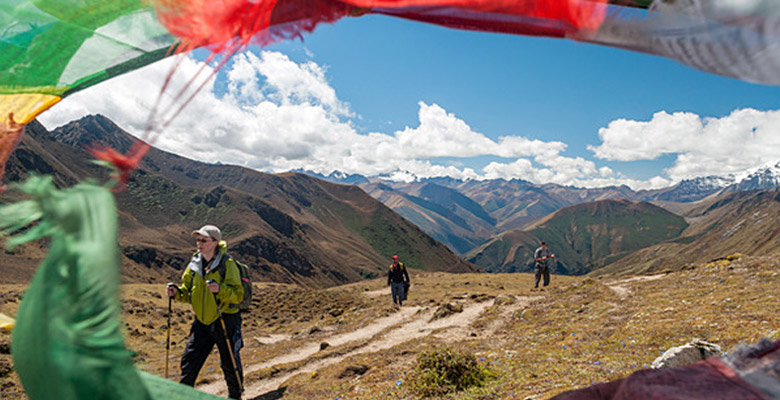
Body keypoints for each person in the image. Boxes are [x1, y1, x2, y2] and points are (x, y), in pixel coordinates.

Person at [166, 225, 244, 399]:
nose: (199, 243)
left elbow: (238, 294)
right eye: (197, 239)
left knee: (229, 362)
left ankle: (235, 395)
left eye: (203, 240)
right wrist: (176, 293)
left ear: (215, 242)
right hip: (202, 321)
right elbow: (188, 291)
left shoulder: (227, 263)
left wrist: (220, 289)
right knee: (189, 360)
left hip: (224, 319)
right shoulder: (194, 262)